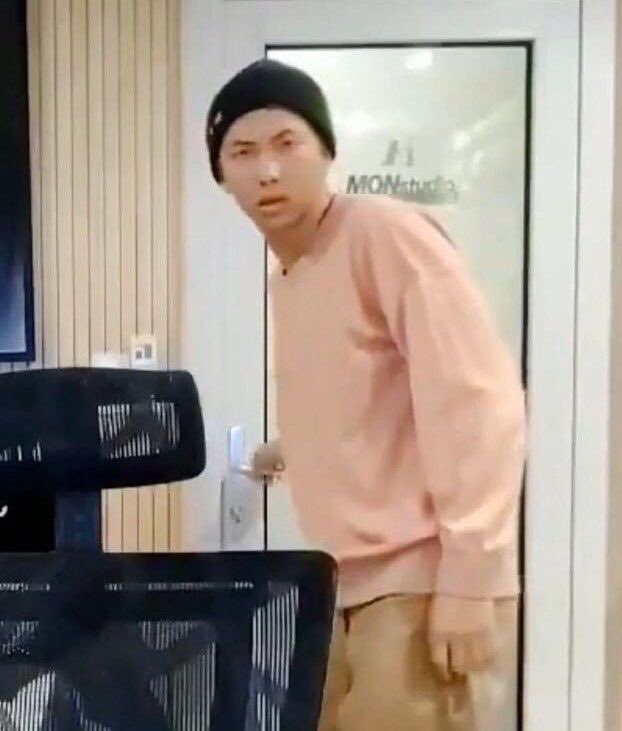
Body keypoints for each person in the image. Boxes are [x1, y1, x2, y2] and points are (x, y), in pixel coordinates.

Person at [206, 59, 527, 731]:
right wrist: (287, 449)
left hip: (420, 580)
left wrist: (470, 578)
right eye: (243, 152)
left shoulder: (381, 233)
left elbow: (477, 401)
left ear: (326, 152)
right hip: (341, 582)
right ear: (222, 174)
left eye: (287, 144)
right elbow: (365, 399)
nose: (267, 170)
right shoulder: (293, 273)